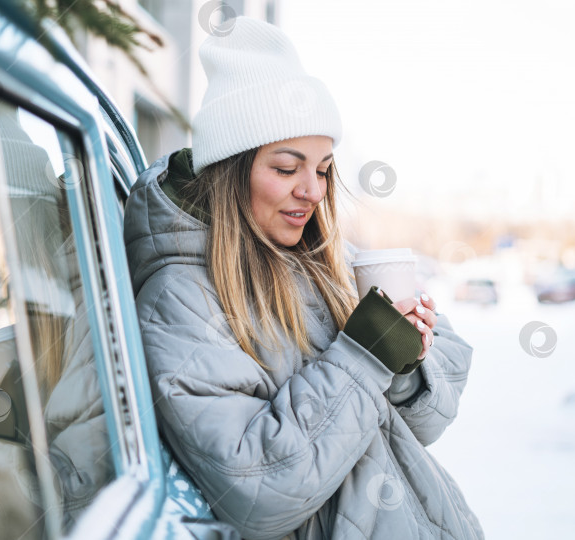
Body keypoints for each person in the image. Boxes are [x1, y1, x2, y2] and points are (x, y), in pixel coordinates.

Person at [124, 16, 483, 540]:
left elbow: (427, 422)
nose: (313, 192)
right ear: (229, 170)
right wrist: (364, 355)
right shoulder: (180, 299)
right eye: (287, 169)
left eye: (323, 168)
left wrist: (406, 360)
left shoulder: (318, 260)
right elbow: (259, 490)